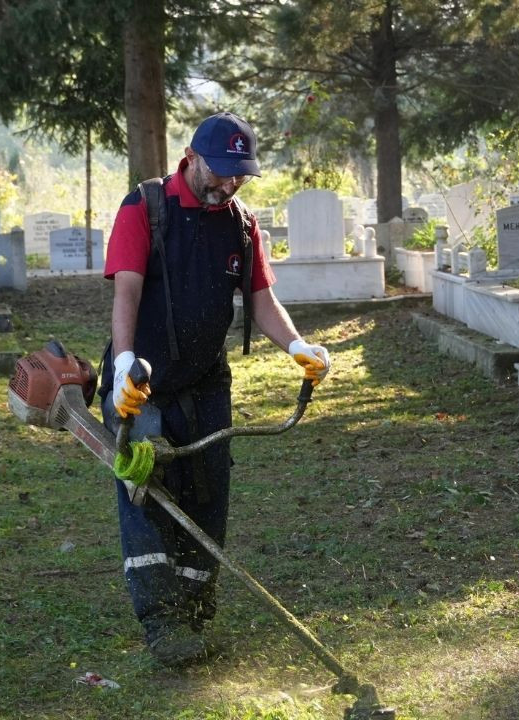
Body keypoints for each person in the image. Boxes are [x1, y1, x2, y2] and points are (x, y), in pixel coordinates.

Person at [98, 111, 331, 667]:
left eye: (239, 175)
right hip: (142, 386)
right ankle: (162, 623)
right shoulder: (145, 209)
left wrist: (297, 346)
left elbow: (260, 299)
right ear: (192, 157)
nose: (228, 183)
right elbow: (125, 293)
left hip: (206, 385)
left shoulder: (241, 223)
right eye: (221, 172)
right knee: (148, 491)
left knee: (208, 491)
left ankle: (196, 609)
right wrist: (126, 363)